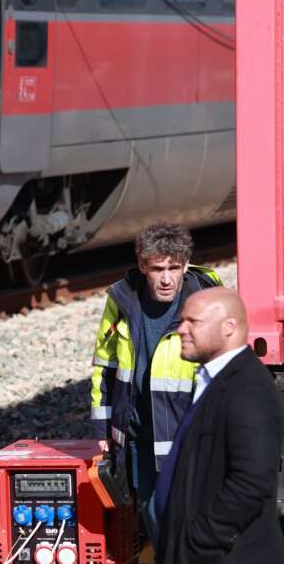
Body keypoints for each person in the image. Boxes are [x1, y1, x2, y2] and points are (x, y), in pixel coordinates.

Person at [89, 223, 220, 538]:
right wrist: (102, 431)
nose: (166, 278)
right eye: (157, 268)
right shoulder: (121, 300)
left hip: (190, 436)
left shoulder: (208, 300)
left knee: (192, 523)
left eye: (174, 268)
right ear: (142, 265)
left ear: (186, 265)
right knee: (154, 519)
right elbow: (104, 368)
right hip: (142, 437)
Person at [154, 287, 284, 564]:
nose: (181, 330)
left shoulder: (248, 388)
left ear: (229, 327)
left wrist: (199, 541)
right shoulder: (214, 379)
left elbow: (251, 481)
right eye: (182, 321)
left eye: (194, 322)